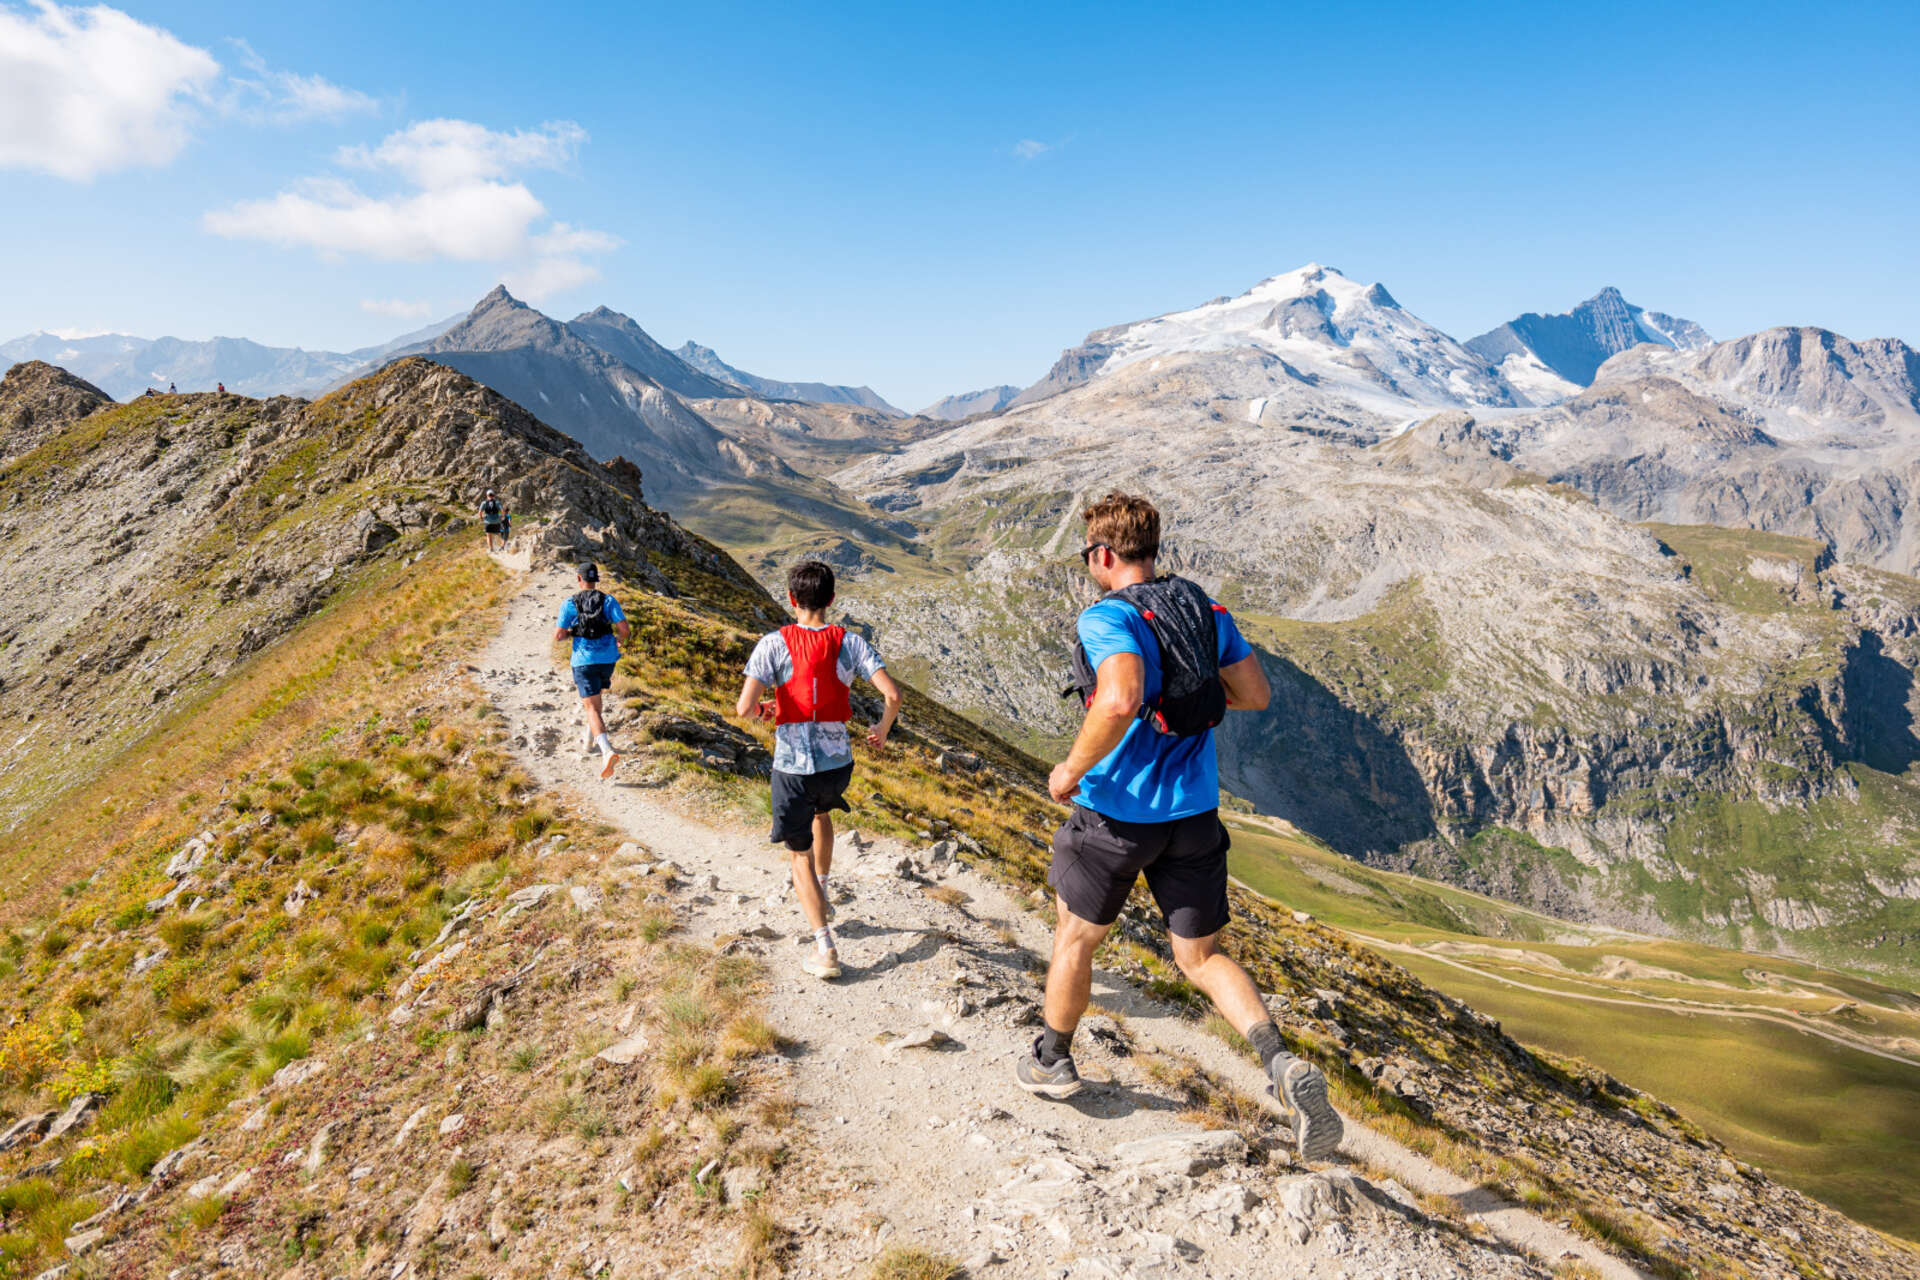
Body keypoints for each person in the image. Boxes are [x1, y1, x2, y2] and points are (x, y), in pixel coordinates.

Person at [1016, 492, 1343, 1161]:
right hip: (1193, 813)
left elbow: (1118, 697)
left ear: (1103, 555)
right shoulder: (1205, 608)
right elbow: (1254, 694)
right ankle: (1280, 1065)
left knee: (1076, 937)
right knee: (1202, 956)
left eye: (1088, 555)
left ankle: (1052, 1058)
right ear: (1153, 549)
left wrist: (1069, 769)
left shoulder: (1108, 618)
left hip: (1116, 814)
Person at [735, 560, 901, 980]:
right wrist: (881, 729)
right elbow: (892, 695)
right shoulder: (850, 643)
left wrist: (765, 709)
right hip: (836, 765)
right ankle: (823, 889)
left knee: (797, 856)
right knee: (822, 815)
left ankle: (824, 946)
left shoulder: (772, 644)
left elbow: (744, 709)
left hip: (792, 767)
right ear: (831, 600)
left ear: (792, 599)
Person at [552, 562, 629, 779]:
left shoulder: (569, 603)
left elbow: (558, 636)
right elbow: (624, 629)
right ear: (596, 579)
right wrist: (619, 641)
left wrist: (571, 633)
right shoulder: (608, 600)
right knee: (595, 700)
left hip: (583, 661)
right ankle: (588, 739)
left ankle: (606, 750)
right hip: (608, 660)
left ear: (579, 579)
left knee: (591, 708)